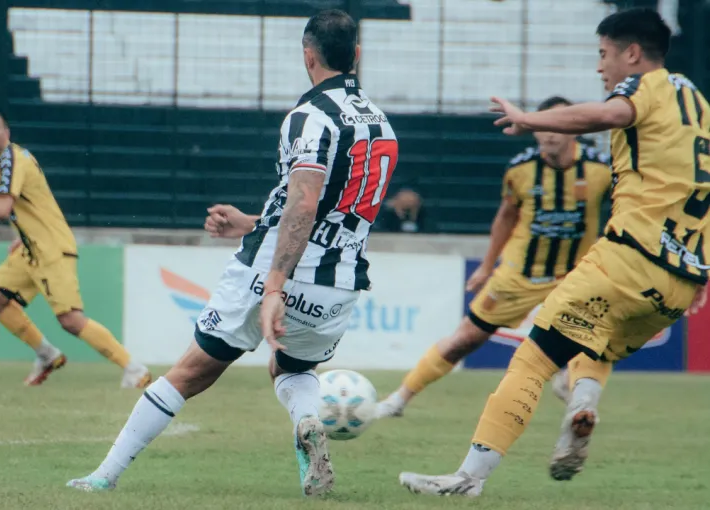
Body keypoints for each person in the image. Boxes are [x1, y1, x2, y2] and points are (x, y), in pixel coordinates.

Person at [66, 9, 398, 496]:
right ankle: (307, 419)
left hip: (275, 272)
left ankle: (103, 476)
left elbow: (305, 202)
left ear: (308, 56)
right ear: (358, 55)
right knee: (293, 369)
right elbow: (330, 207)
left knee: (187, 373)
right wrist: (251, 222)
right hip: (340, 281)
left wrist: (275, 287)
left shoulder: (309, 117)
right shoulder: (382, 125)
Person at [399, 8, 709, 497]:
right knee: (595, 348)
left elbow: (609, 114)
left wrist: (528, 119)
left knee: (534, 360)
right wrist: (700, 270)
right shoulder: (696, 102)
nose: (600, 67)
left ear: (632, 53)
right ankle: (581, 408)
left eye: (604, 54)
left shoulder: (643, 87)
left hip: (629, 257)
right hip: (680, 279)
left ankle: (468, 478)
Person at [375, 96, 614, 421]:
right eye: (544, 125)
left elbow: (623, 210)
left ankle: (579, 401)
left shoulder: (601, 169)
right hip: (520, 275)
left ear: (573, 129)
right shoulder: (521, 169)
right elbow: (505, 217)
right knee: (464, 339)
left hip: (574, 276)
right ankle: (398, 399)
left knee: (600, 334)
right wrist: (487, 267)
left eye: (558, 125)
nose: (550, 133)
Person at [0, 111, 151, 389]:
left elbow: (3, 208)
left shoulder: (11, 160)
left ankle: (134, 368)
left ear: (6, 133)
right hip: (30, 248)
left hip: (50, 248)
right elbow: (28, 204)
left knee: (70, 320)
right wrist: (21, 235)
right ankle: (47, 354)